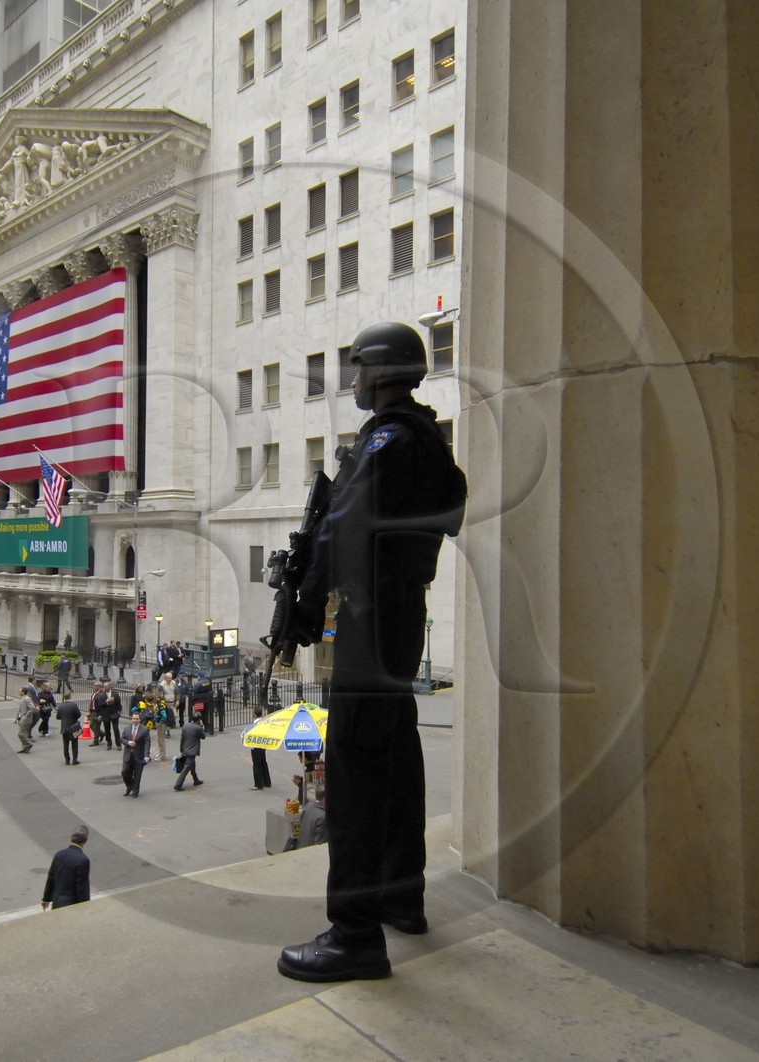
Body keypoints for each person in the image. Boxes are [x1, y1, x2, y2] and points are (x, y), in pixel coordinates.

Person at [275, 321, 467, 984]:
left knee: (355, 770)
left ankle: (354, 934)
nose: (353, 380)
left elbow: (344, 526)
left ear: (382, 372)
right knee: (394, 754)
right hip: (398, 616)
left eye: (359, 369)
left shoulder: (388, 439)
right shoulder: (425, 440)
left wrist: (304, 605)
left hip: (369, 617)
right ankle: (398, 895)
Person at [41, 826, 91, 909]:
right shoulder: (83, 860)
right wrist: (85, 907)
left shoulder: (59, 854)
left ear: (71, 838)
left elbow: (51, 878)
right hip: (72, 906)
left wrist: (46, 898)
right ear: (85, 840)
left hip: (57, 904)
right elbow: (82, 888)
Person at [120, 710, 151, 797]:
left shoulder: (144, 730)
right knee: (124, 772)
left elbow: (147, 743)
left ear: (139, 720)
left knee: (137, 775)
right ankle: (129, 786)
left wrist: (146, 756)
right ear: (131, 719)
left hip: (139, 756)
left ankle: (135, 791)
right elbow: (121, 739)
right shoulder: (127, 729)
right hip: (127, 755)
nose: (135, 720)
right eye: (133, 718)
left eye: (137, 719)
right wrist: (128, 742)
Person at [173, 711, 205, 791]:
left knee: (192, 765)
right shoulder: (198, 728)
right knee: (187, 767)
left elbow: (182, 738)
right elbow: (203, 736)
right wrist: (201, 726)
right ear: (199, 720)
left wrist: (181, 749)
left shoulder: (186, 726)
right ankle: (178, 784)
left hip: (185, 748)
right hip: (192, 750)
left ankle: (196, 780)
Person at [248, 706, 273, 790]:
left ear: (254, 714)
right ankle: (267, 782)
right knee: (263, 762)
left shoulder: (254, 724)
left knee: (256, 764)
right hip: (263, 744)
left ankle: (258, 784)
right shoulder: (264, 722)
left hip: (256, 745)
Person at [96, 682, 123, 750]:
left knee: (116, 729)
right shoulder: (101, 695)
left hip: (114, 715)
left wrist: (118, 713)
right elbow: (99, 705)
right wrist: (107, 701)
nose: (105, 688)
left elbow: (119, 704)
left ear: (109, 687)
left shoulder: (115, 694)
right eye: (104, 687)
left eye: (106, 687)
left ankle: (118, 744)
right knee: (107, 730)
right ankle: (109, 743)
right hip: (106, 715)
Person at [56, 697, 82, 766]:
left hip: (64, 728)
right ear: (70, 697)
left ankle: (67, 760)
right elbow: (79, 714)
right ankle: (75, 760)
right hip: (73, 727)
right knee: (75, 744)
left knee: (65, 744)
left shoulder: (60, 706)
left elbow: (58, 717)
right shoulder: (74, 705)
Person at [15, 682, 39, 754]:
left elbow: (33, 708)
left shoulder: (27, 699)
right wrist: (17, 718)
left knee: (20, 733)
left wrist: (26, 715)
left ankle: (28, 744)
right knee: (24, 733)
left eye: (20, 690)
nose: (19, 692)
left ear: (23, 692)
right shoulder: (23, 698)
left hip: (26, 718)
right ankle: (24, 747)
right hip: (23, 717)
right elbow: (19, 709)